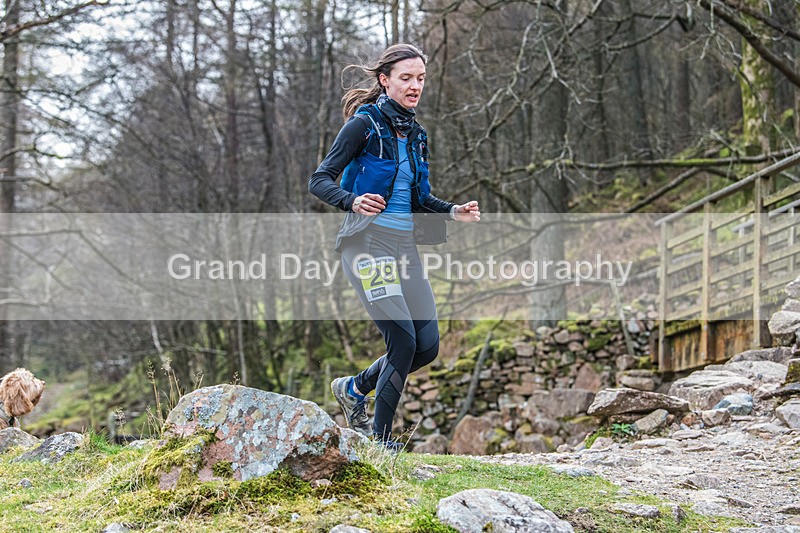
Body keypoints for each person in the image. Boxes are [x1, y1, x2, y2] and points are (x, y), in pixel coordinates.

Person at [308, 43, 480, 450]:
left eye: (420, 78)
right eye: (406, 78)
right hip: (367, 245)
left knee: (427, 346)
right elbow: (320, 179)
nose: (415, 85)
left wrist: (454, 211)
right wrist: (352, 200)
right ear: (385, 80)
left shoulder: (417, 135)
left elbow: (419, 199)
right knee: (401, 341)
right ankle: (382, 445)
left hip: (405, 248)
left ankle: (354, 388)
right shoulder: (362, 126)